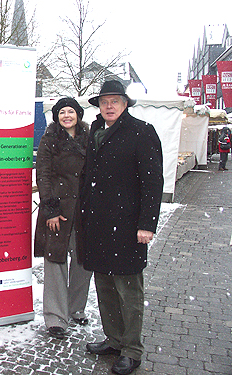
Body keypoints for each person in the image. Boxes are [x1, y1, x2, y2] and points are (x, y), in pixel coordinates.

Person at [79, 80, 163, 375]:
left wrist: (146, 224)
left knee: (128, 291)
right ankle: (114, 339)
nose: (109, 106)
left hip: (128, 228)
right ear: (99, 107)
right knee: (104, 287)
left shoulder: (141, 132)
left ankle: (132, 349)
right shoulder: (95, 133)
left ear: (125, 104)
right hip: (99, 226)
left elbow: (153, 183)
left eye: (115, 101)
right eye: (105, 102)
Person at [34, 97, 93, 340]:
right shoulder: (50, 140)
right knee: (56, 262)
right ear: (56, 116)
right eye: (61, 112)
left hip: (85, 209)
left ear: (78, 114)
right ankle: (56, 318)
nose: (66, 115)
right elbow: (44, 175)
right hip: (58, 208)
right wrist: (50, 209)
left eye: (70, 111)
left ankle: (75, 308)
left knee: (83, 261)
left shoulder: (90, 138)